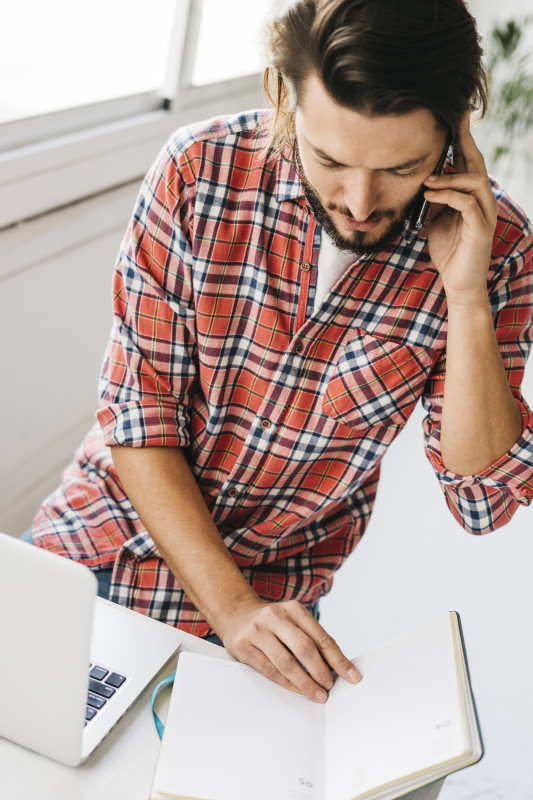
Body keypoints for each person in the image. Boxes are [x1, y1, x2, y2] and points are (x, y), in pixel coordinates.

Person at [31, 0, 533, 705]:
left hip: (277, 606)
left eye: (400, 167)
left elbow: (480, 497)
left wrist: (467, 297)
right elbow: (139, 415)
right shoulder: (197, 172)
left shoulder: (498, 247)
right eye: (328, 159)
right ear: (283, 99)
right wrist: (230, 610)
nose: (360, 201)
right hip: (101, 547)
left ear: (457, 131)